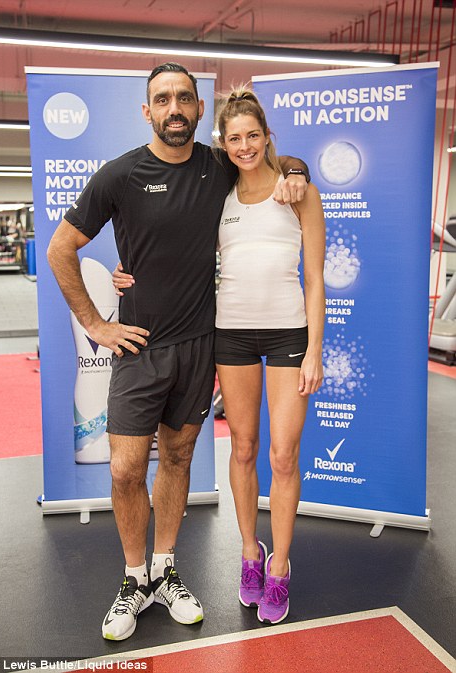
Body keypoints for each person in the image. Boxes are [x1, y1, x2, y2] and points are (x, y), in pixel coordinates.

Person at [47, 62, 310, 642]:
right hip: (139, 347)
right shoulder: (119, 175)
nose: (174, 108)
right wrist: (95, 323)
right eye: (162, 99)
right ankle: (133, 577)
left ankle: (164, 570)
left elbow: (271, 160)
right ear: (148, 111)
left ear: (198, 109)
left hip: (199, 345)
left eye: (184, 98)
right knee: (124, 469)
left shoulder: (218, 166)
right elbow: (62, 247)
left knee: (178, 458)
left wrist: (297, 170)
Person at [115, 87, 325, 626]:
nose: (245, 146)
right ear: (223, 144)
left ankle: (280, 566)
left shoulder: (298, 191)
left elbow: (316, 279)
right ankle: (250, 553)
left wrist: (314, 351)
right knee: (244, 448)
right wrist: (131, 274)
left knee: (283, 455)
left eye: (253, 135)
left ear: (267, 135)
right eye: (235, 139)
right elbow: (177, 248)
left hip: (288, 335)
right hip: (229, 335)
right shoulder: (220, 192)